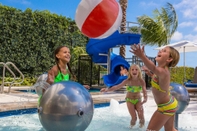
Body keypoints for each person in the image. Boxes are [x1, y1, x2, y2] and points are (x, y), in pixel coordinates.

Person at [130, 44, 180, 131]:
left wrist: (142, 56)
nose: (160, 51)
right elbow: (156, 76)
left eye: (164, 51)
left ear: (169, 59)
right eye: (161, 50)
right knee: (170, 130)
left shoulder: (164, 71)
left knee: (150, 130)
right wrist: (149, 73)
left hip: (165, 107)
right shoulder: (160, 71)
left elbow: (153, 67)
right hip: (169, 104)